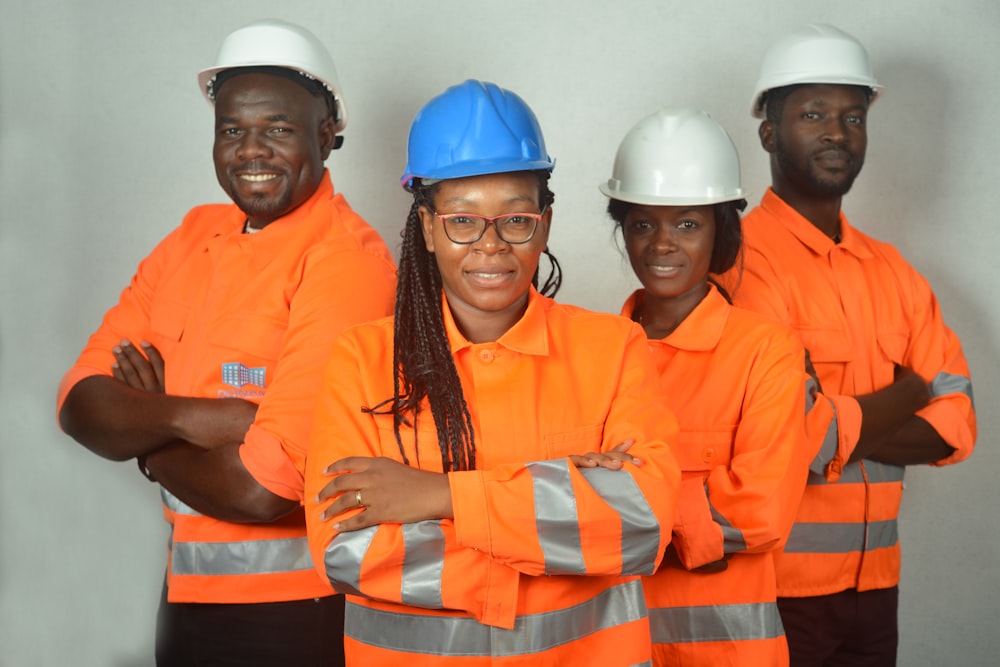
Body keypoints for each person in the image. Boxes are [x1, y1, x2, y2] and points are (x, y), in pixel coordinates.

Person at [303, 79, 683, 666]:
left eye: (516, 220)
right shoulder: (361, 360)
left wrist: (437, 496)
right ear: (427, 228)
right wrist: (559, 513)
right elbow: (346, 551)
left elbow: (643, 524)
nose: (491, 245)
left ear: (545, 225)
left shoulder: (613, 348)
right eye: (462, 220)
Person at [56, 19, 396, 666]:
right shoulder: (192, 237)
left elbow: (264, 490)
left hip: (299, 620)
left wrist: (149, 445)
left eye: (278, 128)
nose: (252, 150)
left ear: (327, 134)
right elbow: (79, 402)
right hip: (182, 605)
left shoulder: (346, 262)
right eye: (233, 130)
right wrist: (202, 418)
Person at [717, 24, 977, 665]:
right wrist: (906, 393)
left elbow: (957, 426)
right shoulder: (740, 265)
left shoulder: (895, 274)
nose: (838, 132)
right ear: (768, 132)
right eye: (813, 114)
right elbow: (782, 435)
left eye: (853, 116)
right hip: (775, 591)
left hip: (877, 587)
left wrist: (831, 419)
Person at [600, 107, 811, 666]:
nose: (662, 244)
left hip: (730, 654)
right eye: (643, 223)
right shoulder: (594, 350)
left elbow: (760, 509)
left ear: (722, 230)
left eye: (688, 223)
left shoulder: (766, 351)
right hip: (612, 648)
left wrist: (614, 525)